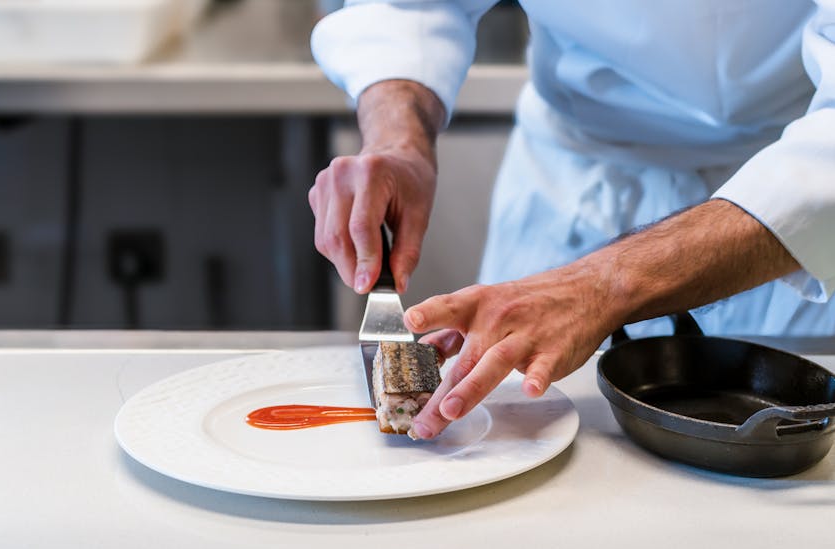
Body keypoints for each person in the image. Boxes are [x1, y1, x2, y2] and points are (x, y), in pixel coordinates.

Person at [307, 1, 835, 439]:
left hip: (784, 203)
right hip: (567, 184)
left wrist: (603, 283)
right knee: (506, 459)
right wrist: (399, 138)